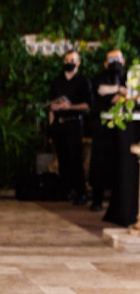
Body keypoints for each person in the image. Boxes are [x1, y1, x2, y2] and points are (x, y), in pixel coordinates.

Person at [48, 49, 93, 206]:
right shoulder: (57, 81)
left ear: (78, 62)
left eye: (72, 60)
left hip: (74, 123)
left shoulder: (83, 81)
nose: (69, 62)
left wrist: (70, 106)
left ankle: (81, 193)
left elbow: (88, 106)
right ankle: (64, 191)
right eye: (67, 60)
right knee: (62, 159)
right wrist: (51, 125)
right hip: (59, 124)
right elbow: (51, 106)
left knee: (75, 159)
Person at [89, 49, 128, 212]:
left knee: (120, 164)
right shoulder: (98, 79)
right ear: (105, 64)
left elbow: (130, 95)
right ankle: (96, 199)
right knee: (99, 164)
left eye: (117, 59)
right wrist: (121, 91)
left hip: (123, 129)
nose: (115, 62)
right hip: (102, 129)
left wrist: (115, 89)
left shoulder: (130, 78)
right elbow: (108, 97)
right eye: (111, 60)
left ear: (123, 61)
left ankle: (118, 201)